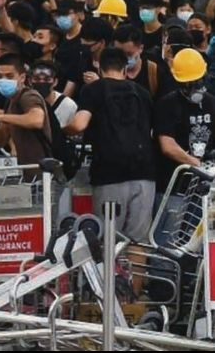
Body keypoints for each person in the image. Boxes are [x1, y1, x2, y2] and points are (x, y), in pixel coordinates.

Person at [65, 47, 155, 293]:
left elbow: (80, 123)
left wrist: (63, 129)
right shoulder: (143, 93)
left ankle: (108, 302)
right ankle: (133, 302)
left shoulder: (94, 90)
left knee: (107, 240)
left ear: (99, 68)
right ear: (126, 69)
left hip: (109, 174)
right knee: (138, 242)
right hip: (145, 173)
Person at [0, 53, 52, 176]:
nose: (3, 80)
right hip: (24, 173)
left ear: (22, 77)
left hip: (43, 174)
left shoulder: (28, 96)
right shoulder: (10, 101)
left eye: (9, 76)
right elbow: (0, 139)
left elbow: (36, 120)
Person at [155, 48, 215, 189]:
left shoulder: (211, 103)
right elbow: (168, 146)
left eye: (198, 81)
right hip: (174, 184)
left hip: (207, 185)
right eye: (189, 83)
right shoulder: (166, 104)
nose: (194, 86)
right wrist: (197, 164)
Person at [113, 25, 160, 99]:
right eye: (119, 54)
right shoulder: (110, 71)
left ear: (140, 48)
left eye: (129, 54)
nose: (124, 58)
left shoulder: (154, 72)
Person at [30, 60, 77, 128]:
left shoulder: (68, 105)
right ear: (30, 81)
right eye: (37, 79)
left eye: (47, 79)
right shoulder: (23, 101)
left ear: (55, 82)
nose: (41, 83)